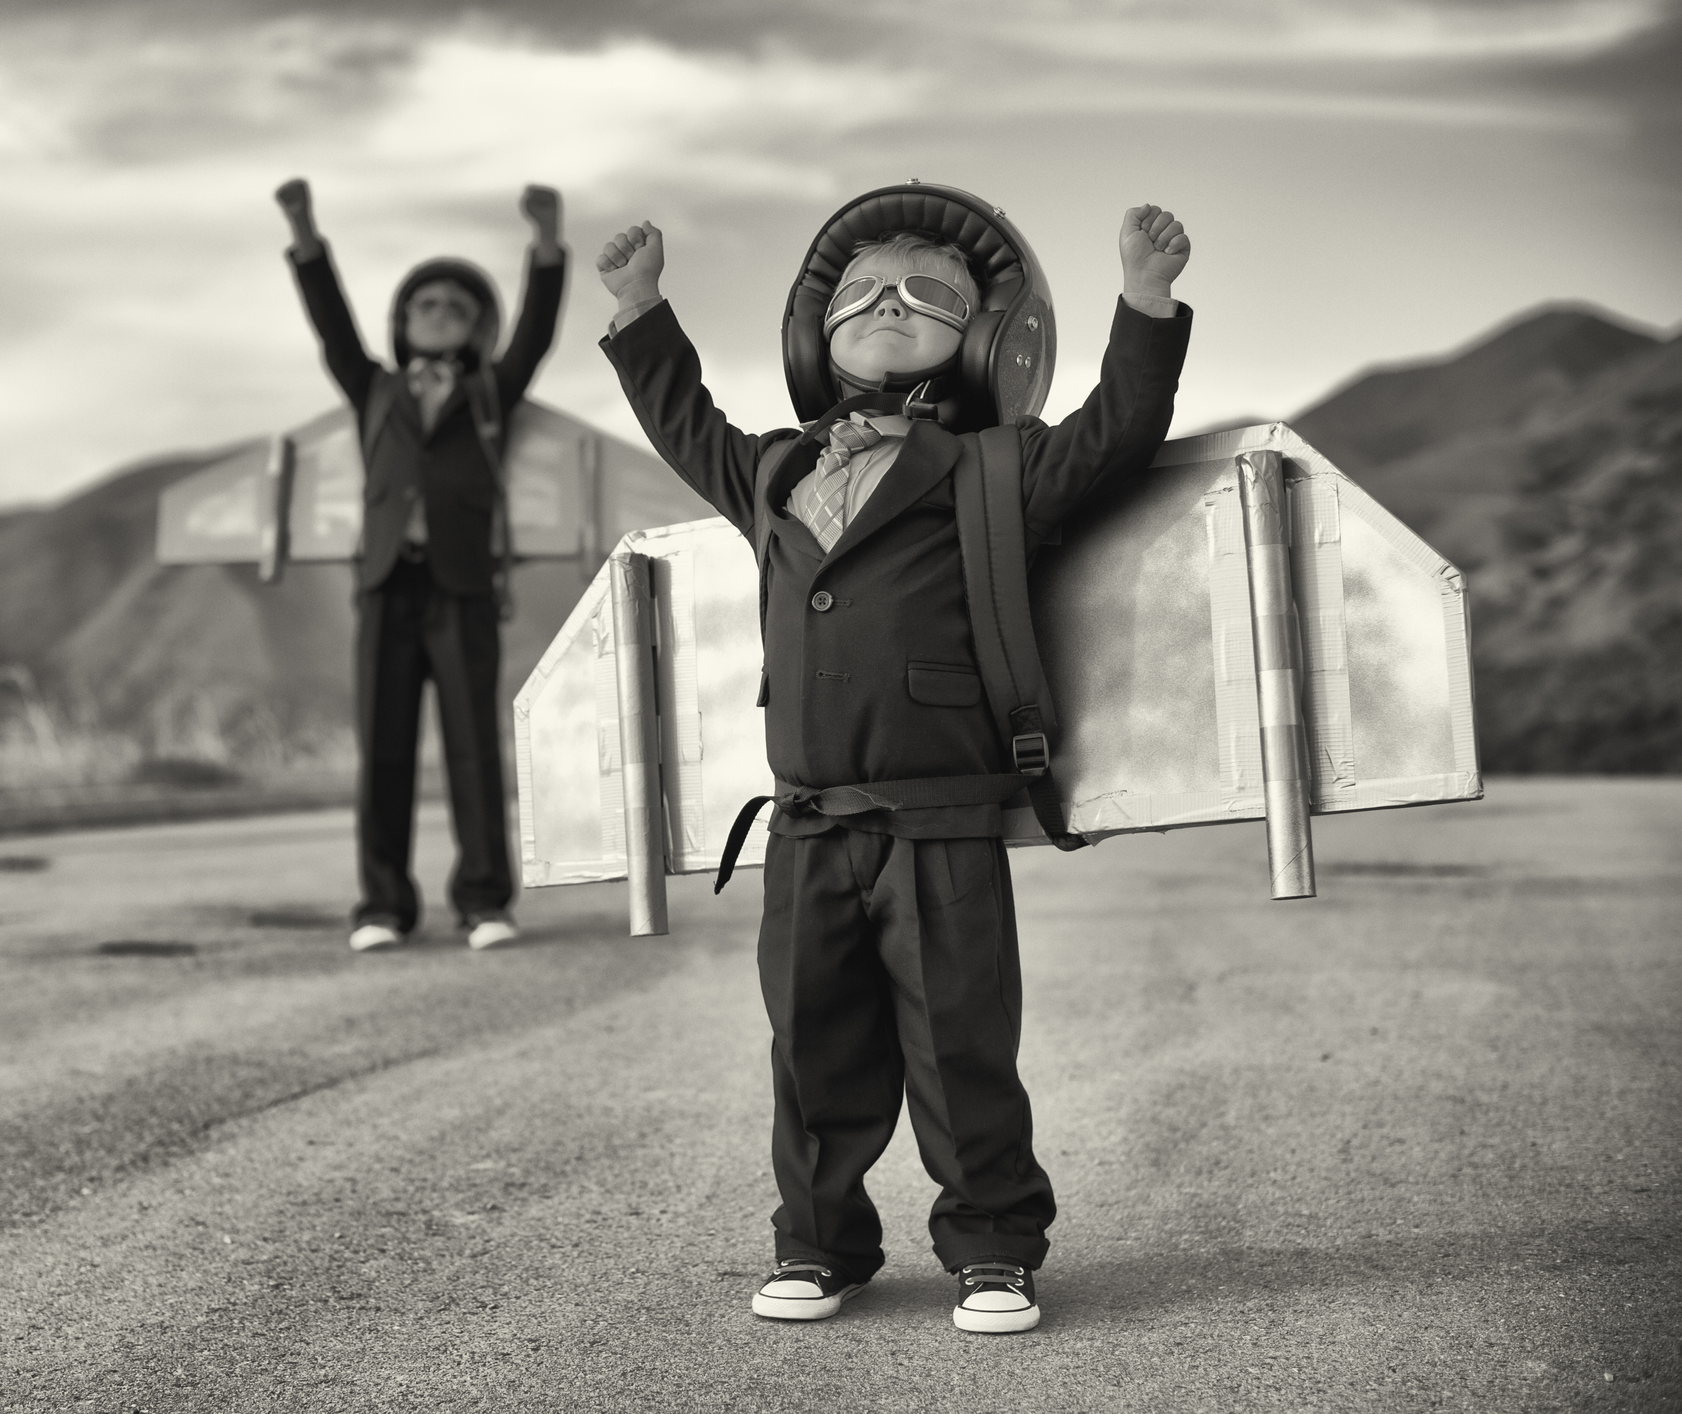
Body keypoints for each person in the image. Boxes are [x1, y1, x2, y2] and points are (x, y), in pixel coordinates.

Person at [595, 187, 1192, 1332]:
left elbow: (1119, 429)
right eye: (859, 292)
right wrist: (641, 312)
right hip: (809, 822)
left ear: (984, 334)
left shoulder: (995, 468)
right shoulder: (771, 471)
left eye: (928, 293)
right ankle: (820, 1246)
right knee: (813, 1050)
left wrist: (1145, 303)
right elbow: (686, 425)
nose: (887, 305)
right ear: (813, 333)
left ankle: (995, 1250)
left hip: (944, 823)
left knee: (960, 1046)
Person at [277, 178, 566, 953]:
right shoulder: (371, 387)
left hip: (463, 584)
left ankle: (483, 902)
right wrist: (304, 230)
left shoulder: (488, 394)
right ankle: (381, 906)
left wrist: (546, 244)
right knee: (385, 747)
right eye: (425, 304)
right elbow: (331, 324)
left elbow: (534, 337)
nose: (440, 312)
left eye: (457, 307)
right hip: (383, 584)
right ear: (403, 323)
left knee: (472, 744)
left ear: (475, 329)